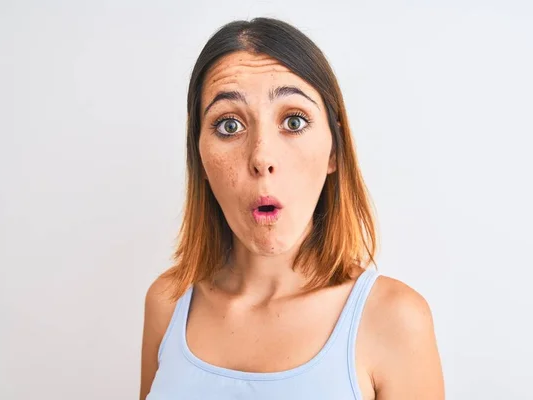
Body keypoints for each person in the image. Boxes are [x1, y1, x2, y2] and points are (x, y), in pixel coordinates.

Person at [139, 17, 444, 400]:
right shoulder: (167, 304)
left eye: (294, 121)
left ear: (334, 148)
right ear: (199, 157)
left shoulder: (395, 319)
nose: (262, 157)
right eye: (229, 126)